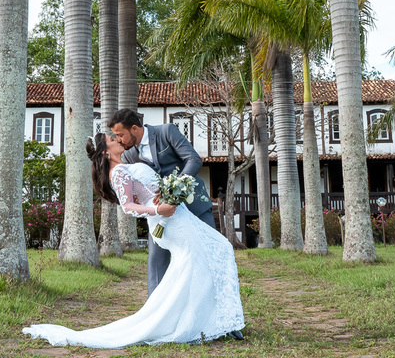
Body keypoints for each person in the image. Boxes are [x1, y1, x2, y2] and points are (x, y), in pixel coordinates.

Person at [22, 133, 245, 348]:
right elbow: (128, 207)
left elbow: (144, 191)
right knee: (205, 257)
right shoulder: (117, 172)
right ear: (105, 152)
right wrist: (159, 207)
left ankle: (207, 318)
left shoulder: (123, 166)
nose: (117, 139)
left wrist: (168, 192)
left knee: (205, 257)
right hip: (169, 221)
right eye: (111, 139)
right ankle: (199, 321)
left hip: (177, 216)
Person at [108, 108, 216, 296]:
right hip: (160, 215)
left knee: (210, 254)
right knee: (157, 262)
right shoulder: (128, 156)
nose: (118, 139)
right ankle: (155, 312)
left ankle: (217, 311)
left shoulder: (166, 131)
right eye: (115, 136)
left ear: (134, 128)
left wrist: (173, 189)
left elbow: (193, 159)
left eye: (120, 135)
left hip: (194, 204)